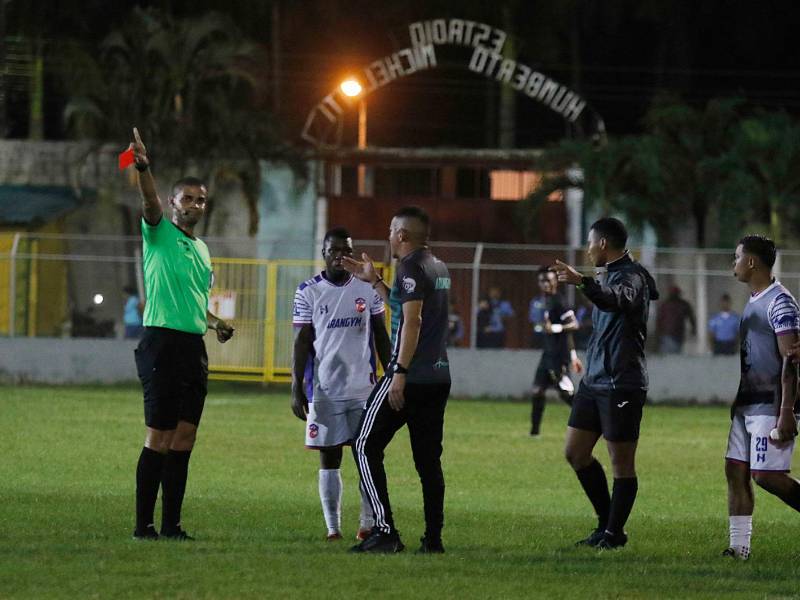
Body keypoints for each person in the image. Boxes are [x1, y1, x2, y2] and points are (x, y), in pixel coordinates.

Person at [129, 127, 235, 541]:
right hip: (161, 343)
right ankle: (143, 526)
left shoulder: (204, 249)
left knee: (185, 436)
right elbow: (147, 199)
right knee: (159, 435)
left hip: (193, 346)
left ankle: (172, 525)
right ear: (173, 203)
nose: (195, 204)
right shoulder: (158, 232)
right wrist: (144, 167)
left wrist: (216, 323)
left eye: (201, 200)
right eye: (187, 198)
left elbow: (194, 300)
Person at [343, 206, 451, 554]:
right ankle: (433, 539)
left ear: (402, 235)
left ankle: (385, 531)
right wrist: (375, 281)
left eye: (392, 230)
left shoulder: (409, 266)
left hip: (410, 375)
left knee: (362, 444)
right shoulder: (438, 266)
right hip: (437, 377)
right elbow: (409, 308)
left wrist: (399, 373)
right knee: (428, 462)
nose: (389, 236)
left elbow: (413, 321)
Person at [553, 217, 659, 550]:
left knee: (621, 462)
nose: (586, 250)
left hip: (621, 381)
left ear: (602, 244)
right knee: (575, 452)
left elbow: (618, 299)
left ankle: (613, 535)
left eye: (589, 243)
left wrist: (582, 282)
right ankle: (606, 524)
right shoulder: (613, 273)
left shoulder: (631, 276)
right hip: (594, 380)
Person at [291, 227, 391, 542]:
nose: (339, 256)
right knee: (329, 456)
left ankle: (367, 524)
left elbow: (381, 335)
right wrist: (296, 386)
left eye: (344, 250)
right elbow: (302, 340)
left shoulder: (367, 288)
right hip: (324, 391)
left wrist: (391, 375)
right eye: (333, 250)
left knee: (368, 454)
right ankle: (333, 528)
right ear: (323, 253)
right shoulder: (308, 291)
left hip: (365, 390)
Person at [722, 235, 800, 561]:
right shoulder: (755, 299)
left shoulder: (780, 302)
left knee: (765, 476)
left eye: (737, 257)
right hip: (749, 403)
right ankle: (739, 549)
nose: (734, 264)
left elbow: (791, 359)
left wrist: (786, 412)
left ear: (751, 262)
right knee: (735, 470)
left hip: (772, 403)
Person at [529, 267, 584, 437]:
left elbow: (574, 325)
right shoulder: (542, 302)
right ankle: (534, 433)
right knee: (537, 390)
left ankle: (592, 420)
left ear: (555, 281)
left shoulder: (560, 301)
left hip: (559, 356)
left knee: (565, 393)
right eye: (542, 280)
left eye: (548, 280)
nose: (545, 283)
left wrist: (555, 327)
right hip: (547, 354)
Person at [656, 286, 696, 354]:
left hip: (678, 333)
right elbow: (659, 319)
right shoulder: (665, 305)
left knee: (675, 352)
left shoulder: (683, 304)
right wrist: (658, 332)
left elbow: (691, 318)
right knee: (669, 352)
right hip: (666, 333)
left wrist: (693, 329)